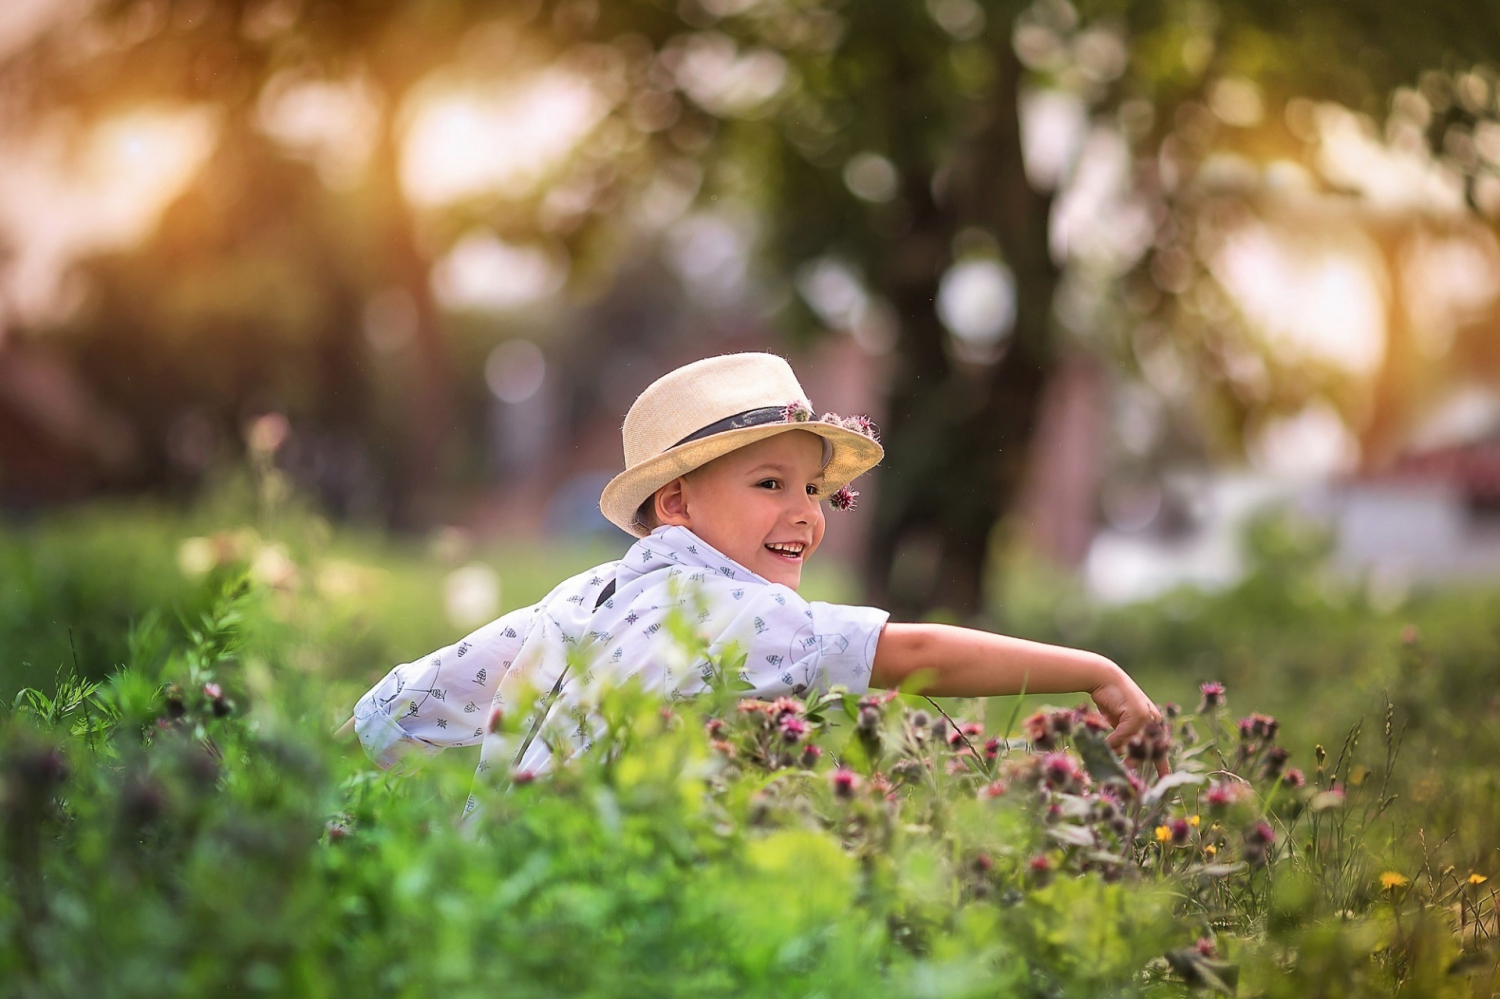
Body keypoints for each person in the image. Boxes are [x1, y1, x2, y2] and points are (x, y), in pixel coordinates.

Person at [342, 353, 1162, 811]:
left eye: (814, 489)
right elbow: (915, 653)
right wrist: (1093, 670)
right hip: (626, 899)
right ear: (676, 503)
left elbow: (401, 705)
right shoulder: (735, 609)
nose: (803, 513)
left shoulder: (586, 594)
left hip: (521, 885)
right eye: (769, 485)